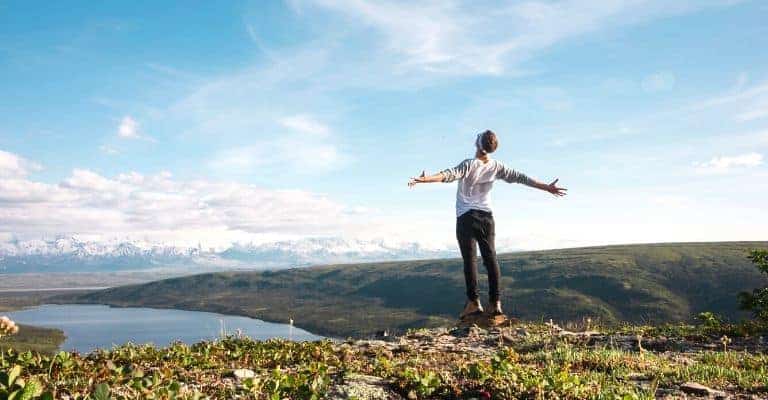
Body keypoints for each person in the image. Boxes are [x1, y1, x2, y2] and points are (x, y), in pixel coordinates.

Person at [408, 130, 567, 319]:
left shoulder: (469, 164)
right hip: (487, 217)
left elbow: (448, 175)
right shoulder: (497, 166)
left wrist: (425, 179)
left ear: (478, 143)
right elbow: (522, 178)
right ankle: (495, 303)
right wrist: (547, 188)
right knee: (490, 259)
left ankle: (474, 303)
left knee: (470, 260)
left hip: (466, 216)